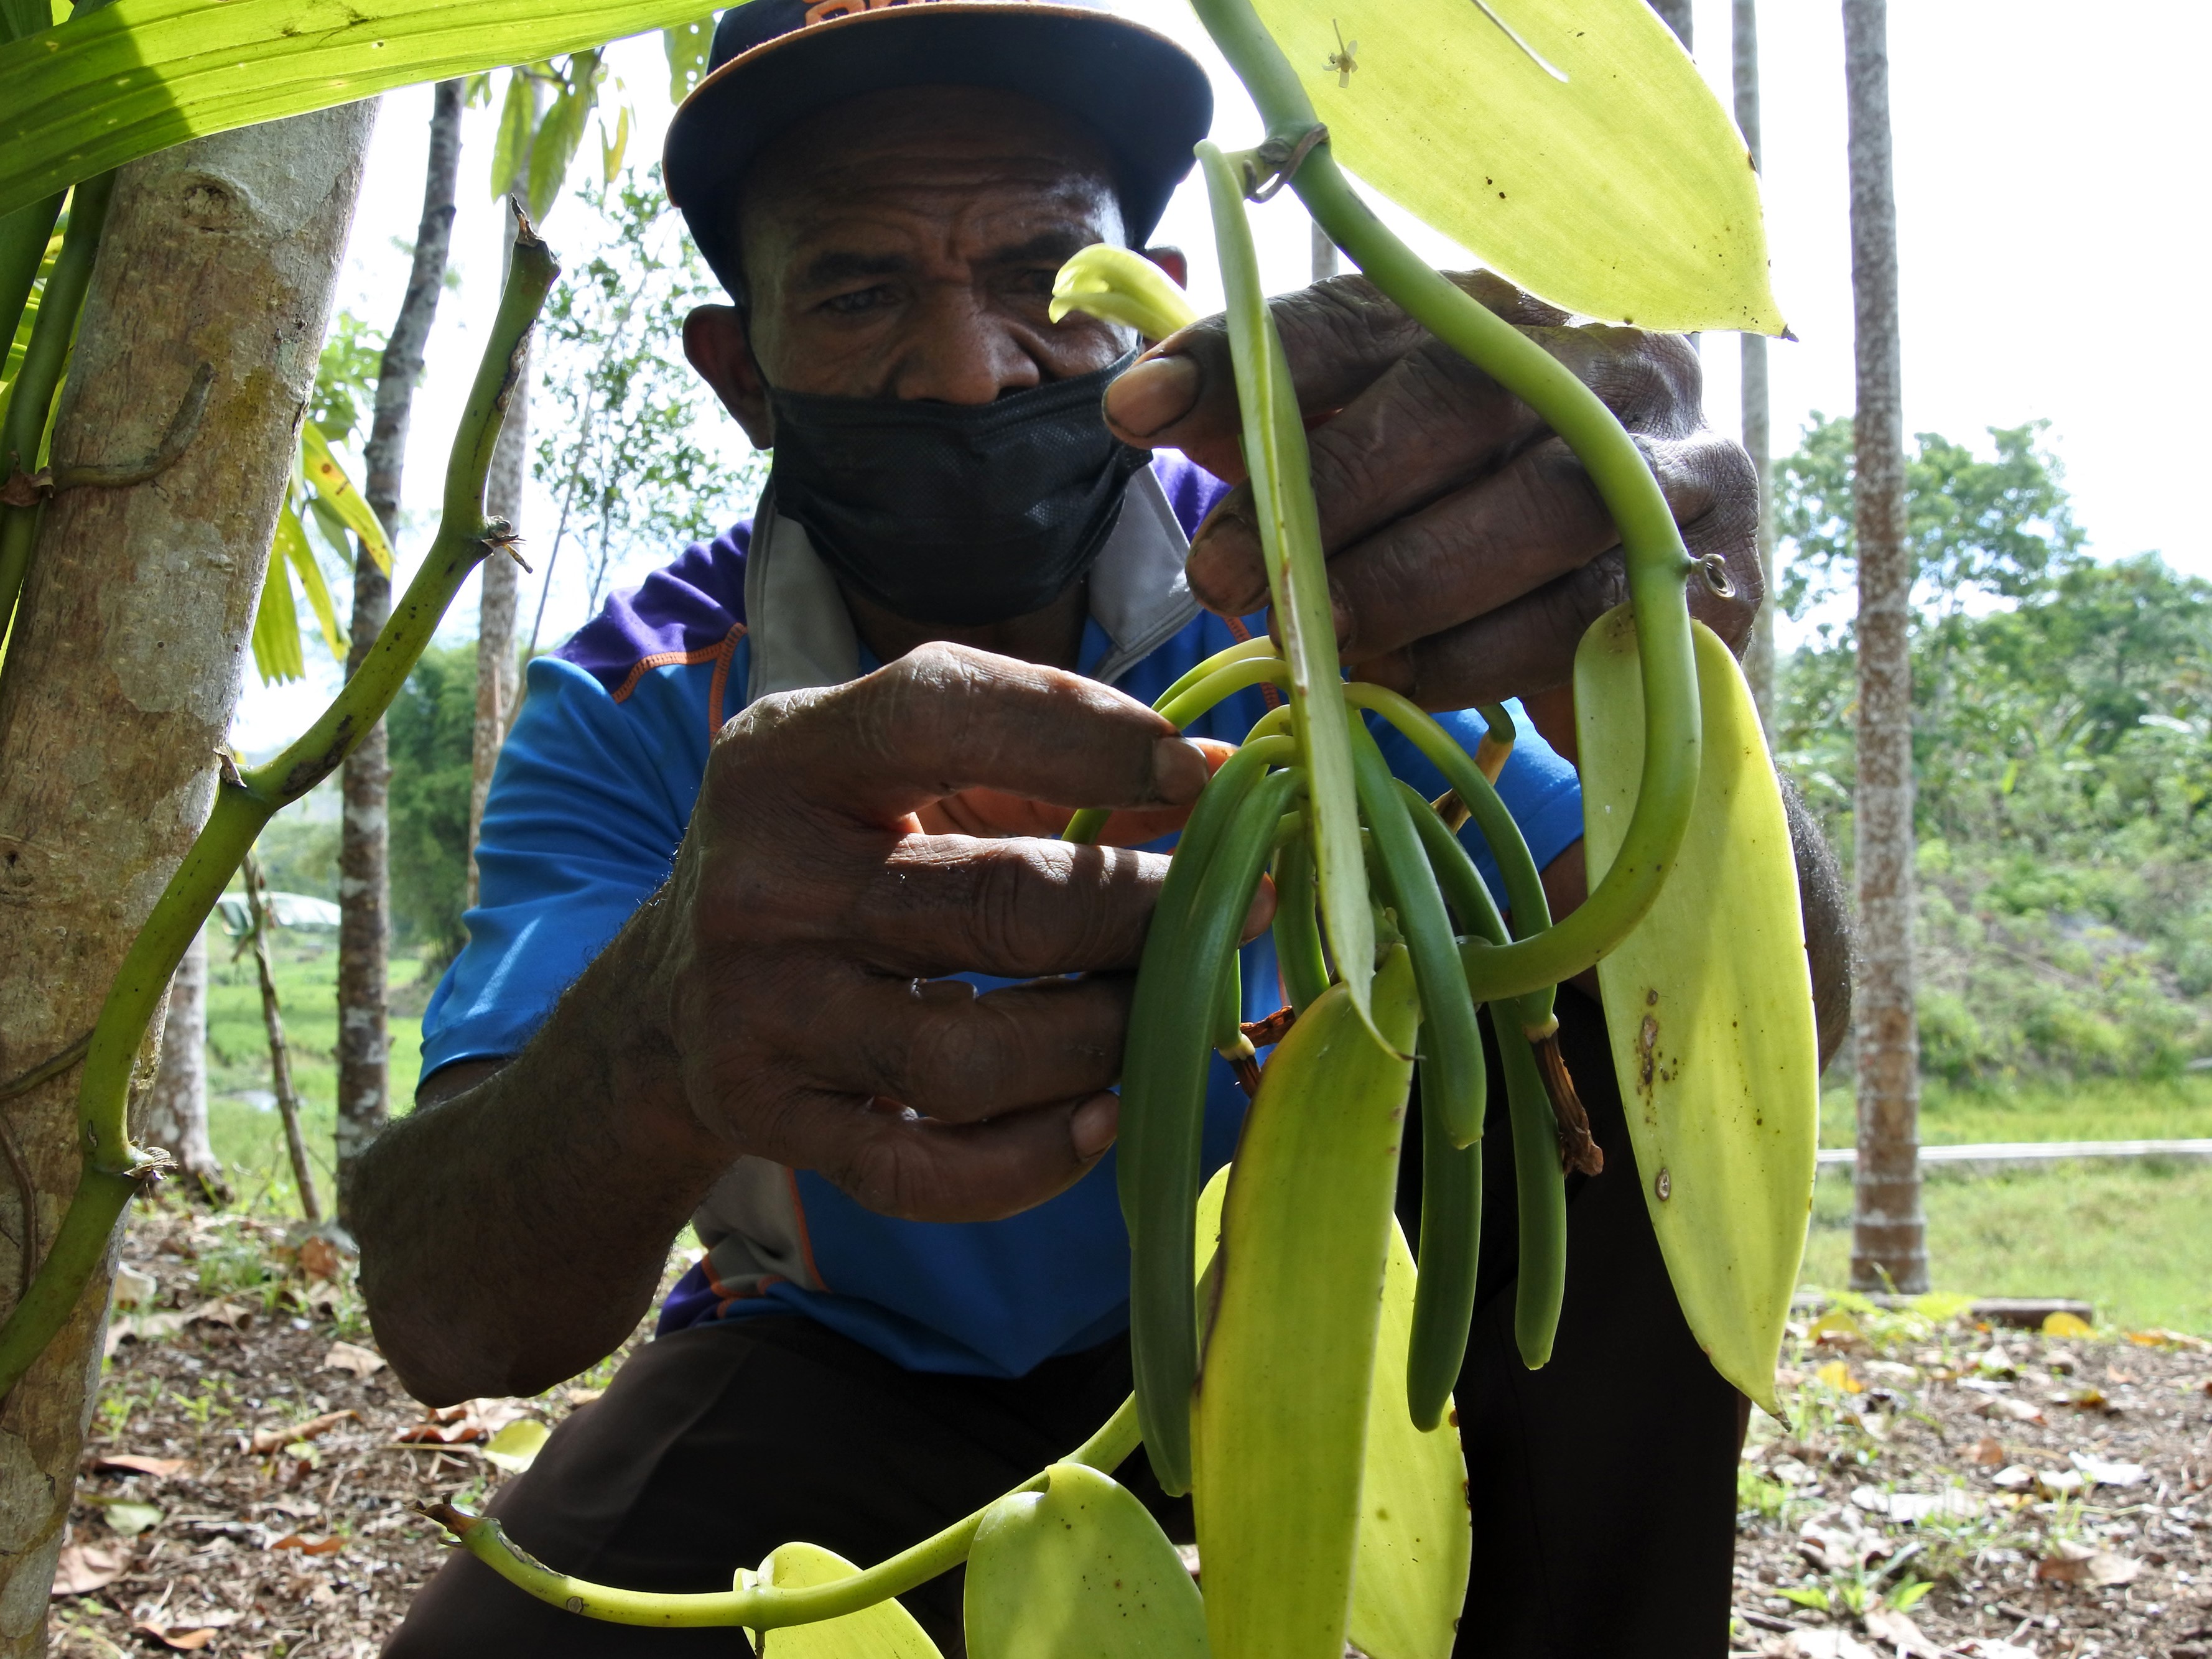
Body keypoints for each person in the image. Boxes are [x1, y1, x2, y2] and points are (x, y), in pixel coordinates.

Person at [360, 1, 1851, 1652]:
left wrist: (1643, 667)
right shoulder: (642, 702)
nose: (967, 367)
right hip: (850, 1365)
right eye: (860, 291)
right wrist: (663, 1021)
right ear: (740, 371)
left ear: (1148, 305)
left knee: (1588, 1140)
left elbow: (1730, 1044)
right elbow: (442, 1306)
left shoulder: (1340, 589)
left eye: (1039, 278)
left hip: (1309, 1296)